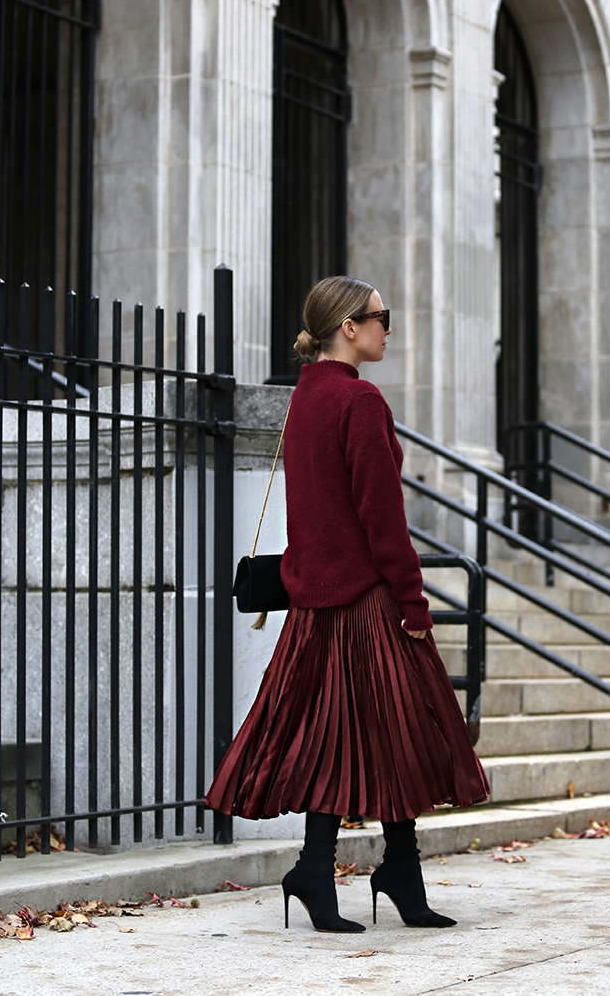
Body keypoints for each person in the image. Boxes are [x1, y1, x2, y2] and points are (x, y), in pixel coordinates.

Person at [205, 276, 489, 932]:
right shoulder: (359, 402)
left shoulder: (306, 398)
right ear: (347, 327)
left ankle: (348, 868)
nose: (389, 327)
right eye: (380, 316)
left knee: (344, 736)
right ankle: (373, 869)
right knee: (400, 729)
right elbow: (383, 519)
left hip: (317, 605)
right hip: (364, 601)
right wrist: (414, 602)